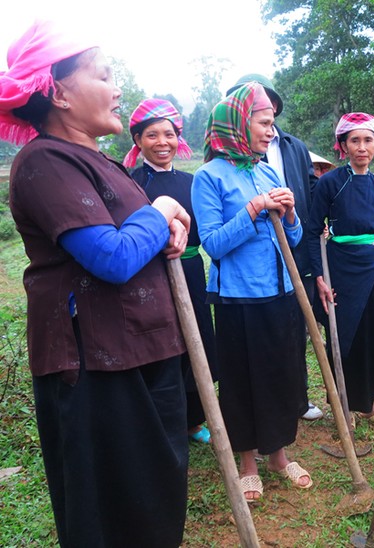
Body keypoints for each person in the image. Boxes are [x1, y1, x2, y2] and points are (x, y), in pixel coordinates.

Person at [1, 20, 191, 546]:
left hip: (145, 351)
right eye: (104, 76)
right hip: (94, 368)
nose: (117, 88)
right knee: (112, 517)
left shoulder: (101, 162)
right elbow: (111, 257)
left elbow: (143, 235)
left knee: (154, 504)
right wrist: (163, 210)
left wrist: (168, 228)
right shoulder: (45, 162)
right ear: (58, 92)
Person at [191, 82, 312, 501]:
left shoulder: (266, 169)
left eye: (272, 124)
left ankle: (277, 456)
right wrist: (253, 209)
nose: (270, 132)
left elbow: (291, 239)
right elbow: (213, 244)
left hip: (279, 291)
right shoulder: (208, 177)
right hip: (237, 298)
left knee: (279, 375)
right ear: (239, 124)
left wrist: (291, 211)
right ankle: (247, 462)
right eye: (263, 122)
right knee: (243, 381)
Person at [226, 74, 323, 421]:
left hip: (294, 244)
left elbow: (312, 186)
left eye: (269, 108)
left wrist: (306, 219)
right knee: (259, 338)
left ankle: (297, 398)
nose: (266, 121)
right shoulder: (222, 167)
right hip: (251, 261)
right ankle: (263, 409)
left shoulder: (293, 146)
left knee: (294, 327)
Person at [124, 98, 218, 444]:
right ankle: (162, 422)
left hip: (192, 269)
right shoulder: (130, 183)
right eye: (152, 135)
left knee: (197, 342)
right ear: (138, 140)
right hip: (151, 276)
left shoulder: (193, 181)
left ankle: (194, 420)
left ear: (179, 138)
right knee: (164, 345)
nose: (162, 142)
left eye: (169, 134)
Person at [307, 112, 374, 429]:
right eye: (355, 140)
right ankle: (343, 407)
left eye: (368, 140)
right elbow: (311, 232)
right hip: (341, 270)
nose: (362, 147)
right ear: (343, 146)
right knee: (344, 338)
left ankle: (369, 406)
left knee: (372, 338)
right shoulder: (330, 182)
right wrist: (320, 277)